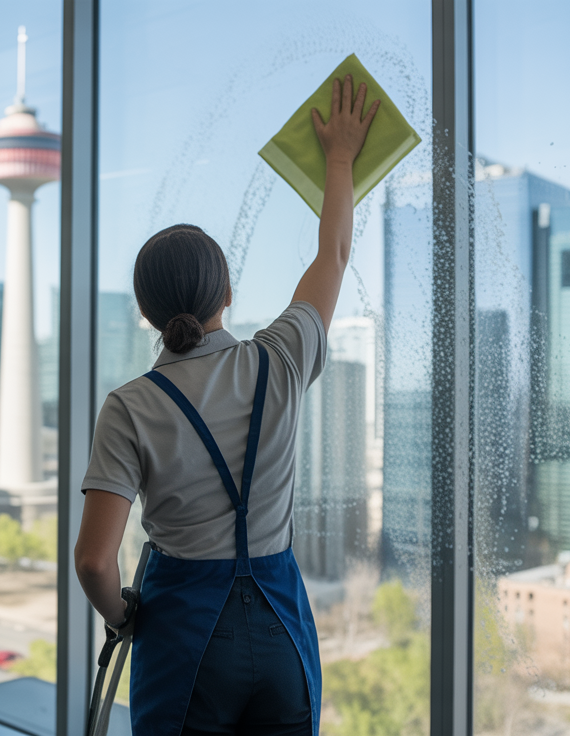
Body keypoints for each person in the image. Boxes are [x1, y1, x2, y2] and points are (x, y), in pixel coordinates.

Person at [74, 75, 379, 735]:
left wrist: (121, 614)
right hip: (282, 634)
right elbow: (334, 253)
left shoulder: (130, 407)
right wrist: (339, 157)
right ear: (228, 293)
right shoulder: (282, 357)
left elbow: (94, 561)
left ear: (148, 312)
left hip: (185, 643)